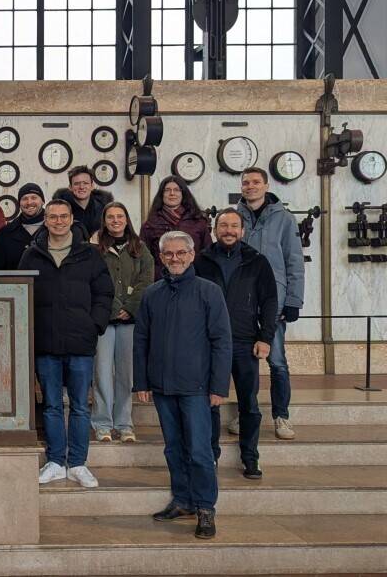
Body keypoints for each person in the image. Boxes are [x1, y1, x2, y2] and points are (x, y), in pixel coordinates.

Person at [133, 231, 232, 540]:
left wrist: (218, 387)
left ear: (191, 255)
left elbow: (222, 342)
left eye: (180, 253)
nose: (174, 258)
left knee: (201, 451)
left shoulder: (209, 292)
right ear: (161, 257)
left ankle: (205, 508)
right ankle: (183, 499)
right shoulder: (152, 294)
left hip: (198, 387)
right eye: (168, 254)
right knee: (173, 448)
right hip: (162, 386)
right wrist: (141, 381)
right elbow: (141, 341)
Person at [19, 199, 113, 488]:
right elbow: (21, 295)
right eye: (52, 217)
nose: (58, 221)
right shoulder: (32, 255)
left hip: (80, 343)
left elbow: (105, 293)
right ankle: (56, 461)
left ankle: (78, 463)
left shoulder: (89, 255)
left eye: (63, 217)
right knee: (51, 405)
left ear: (72, 219)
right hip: (46, 343)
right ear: (45, 221)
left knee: (81, 407)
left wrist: (94, 324)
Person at [195, 208, 279, 479]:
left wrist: (265, 338)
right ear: (215, 230)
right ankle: (211, 457)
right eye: (223, 226)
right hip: (209, 343)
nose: (228, 230)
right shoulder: (201, 261)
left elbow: (269, 303)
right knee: (211, 403)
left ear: (242, 231)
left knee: (249, 405)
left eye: (234, 226)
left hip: (245, 342)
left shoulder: (258, 262)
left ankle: (250, 457)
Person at [237, 167, 305, 441]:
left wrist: (293, 301)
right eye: (245, 183)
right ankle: (247, 413)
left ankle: (281, 416)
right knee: (245, 364)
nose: (250, 186)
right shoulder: (234, 217)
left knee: (277, 362)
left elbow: (294, 261)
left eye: (255, 182)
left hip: (274, 303)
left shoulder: (284, 219)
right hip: (242, 303)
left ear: (266, 185)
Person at [90, 202, 154, 444]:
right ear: (104, 221)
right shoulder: (95, 250)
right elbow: (95, 281)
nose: (116, 220)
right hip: (104, 321)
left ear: (127, 219)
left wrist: (129, 307)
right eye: (110, 217)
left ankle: (125, 424)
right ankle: (102, 423)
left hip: (130, 322)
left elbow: (146, 281)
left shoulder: (140, 249)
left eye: (120, 216)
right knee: (103, 372)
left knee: (126, 375)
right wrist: (114, 307)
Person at [140, 175, 213, 280]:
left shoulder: (198, 222)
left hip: (193, 280)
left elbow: (207, 254)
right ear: (162, 195)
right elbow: (144, 259)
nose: (172, 193)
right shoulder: (149, 225)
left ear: (183, 194)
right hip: (161, 281)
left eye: (177, 190)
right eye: (167, 190)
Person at [0, 182, 45, 270]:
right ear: (19, 203)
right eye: (24, 199)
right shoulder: (5, 233)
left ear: (43, 201)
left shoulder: (55, 229)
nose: (29, 202)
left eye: (34, 198)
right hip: (16, 284)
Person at [52, 165, 114, 241]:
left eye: (85, 183)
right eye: (77, 184)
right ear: (70, 187)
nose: (81, 187)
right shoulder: (58, 209)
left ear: (92, 186)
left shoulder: (105, 208)